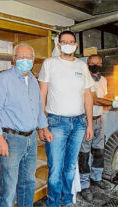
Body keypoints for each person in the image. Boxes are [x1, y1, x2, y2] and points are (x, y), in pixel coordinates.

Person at [0, 42, 53, 207]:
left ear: (33, 60)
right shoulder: (2, 80)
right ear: (13, 59)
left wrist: (43, 127)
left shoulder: (33, 80)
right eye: (21, 57)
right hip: (11, 139)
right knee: (9, 187)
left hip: (31, 139)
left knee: (28, 183)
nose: (25, 60)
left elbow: (38, 107)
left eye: (29, 57)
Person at [38, 30, 94, 207]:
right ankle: (54, 203)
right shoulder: (50, 63)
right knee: (55, 168)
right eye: (64, 41)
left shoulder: (81, 66)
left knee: (70, 167)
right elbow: (42, 94)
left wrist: (90, 124)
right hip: (56, 122)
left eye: (71, 41)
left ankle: (67, 200)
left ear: (76, 46)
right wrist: (42, 124)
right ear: (58, 45)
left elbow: (87, 95)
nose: (68, 44)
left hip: (78, 123)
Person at [79, 54, 118, 202]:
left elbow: (104, 97)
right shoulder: (84, 79)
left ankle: (96, 177)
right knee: (84, 154)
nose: (95, 65)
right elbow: (94, 99)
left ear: (101, 65)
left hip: (99, 119)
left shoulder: (103, 80)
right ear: (87, 64)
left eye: (98, 63)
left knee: (99, 151)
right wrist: (114, 103)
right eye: (92, 63)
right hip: (85, 120)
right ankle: (84, 185)